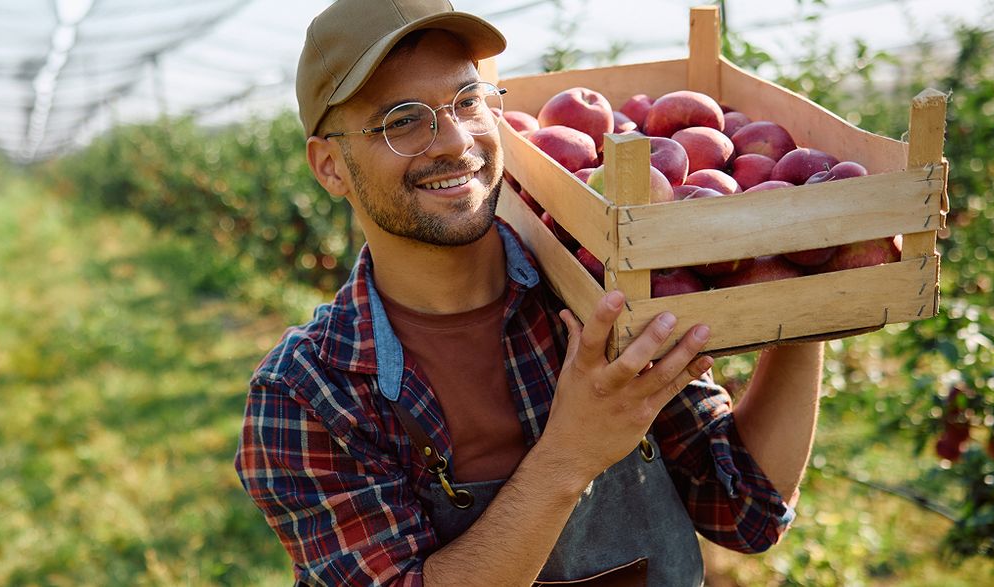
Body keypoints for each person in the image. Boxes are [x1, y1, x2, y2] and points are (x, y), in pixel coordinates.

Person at [233, 1, 824, 584]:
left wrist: (808, 284)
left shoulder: (594, 287)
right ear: (330, 166)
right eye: (403, 119)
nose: (454, 140)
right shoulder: (309, 393)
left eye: (467, 102)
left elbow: (744, 510)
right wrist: (570, 455)